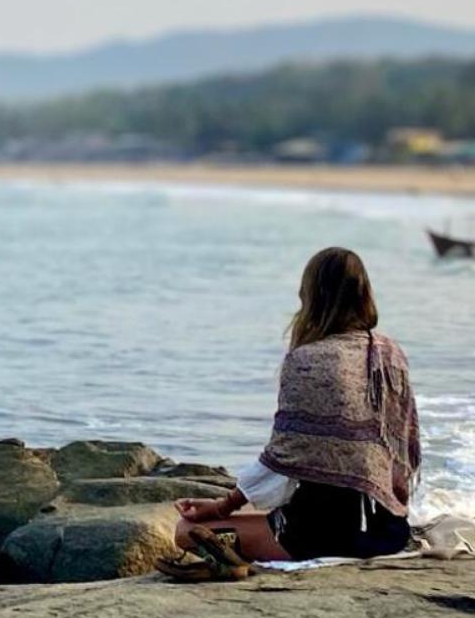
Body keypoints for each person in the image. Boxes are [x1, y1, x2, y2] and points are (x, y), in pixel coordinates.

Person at [162, 247, 421, 578]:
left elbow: (283, 457)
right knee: (267, 519)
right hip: (389, 531)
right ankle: (229, 560)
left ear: (311, 295)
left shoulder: (307, 360)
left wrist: (223, 506)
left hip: (320, 533)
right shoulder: (391, 353)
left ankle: (230, 563)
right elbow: (403, 450)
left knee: (185, 531)